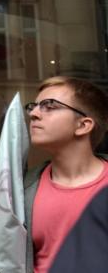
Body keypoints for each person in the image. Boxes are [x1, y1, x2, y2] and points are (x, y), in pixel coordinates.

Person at [22, 76, 108, 272]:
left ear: (83, 125)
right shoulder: (24, 190)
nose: (34, 114)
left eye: (49, 106)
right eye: (33, 106)